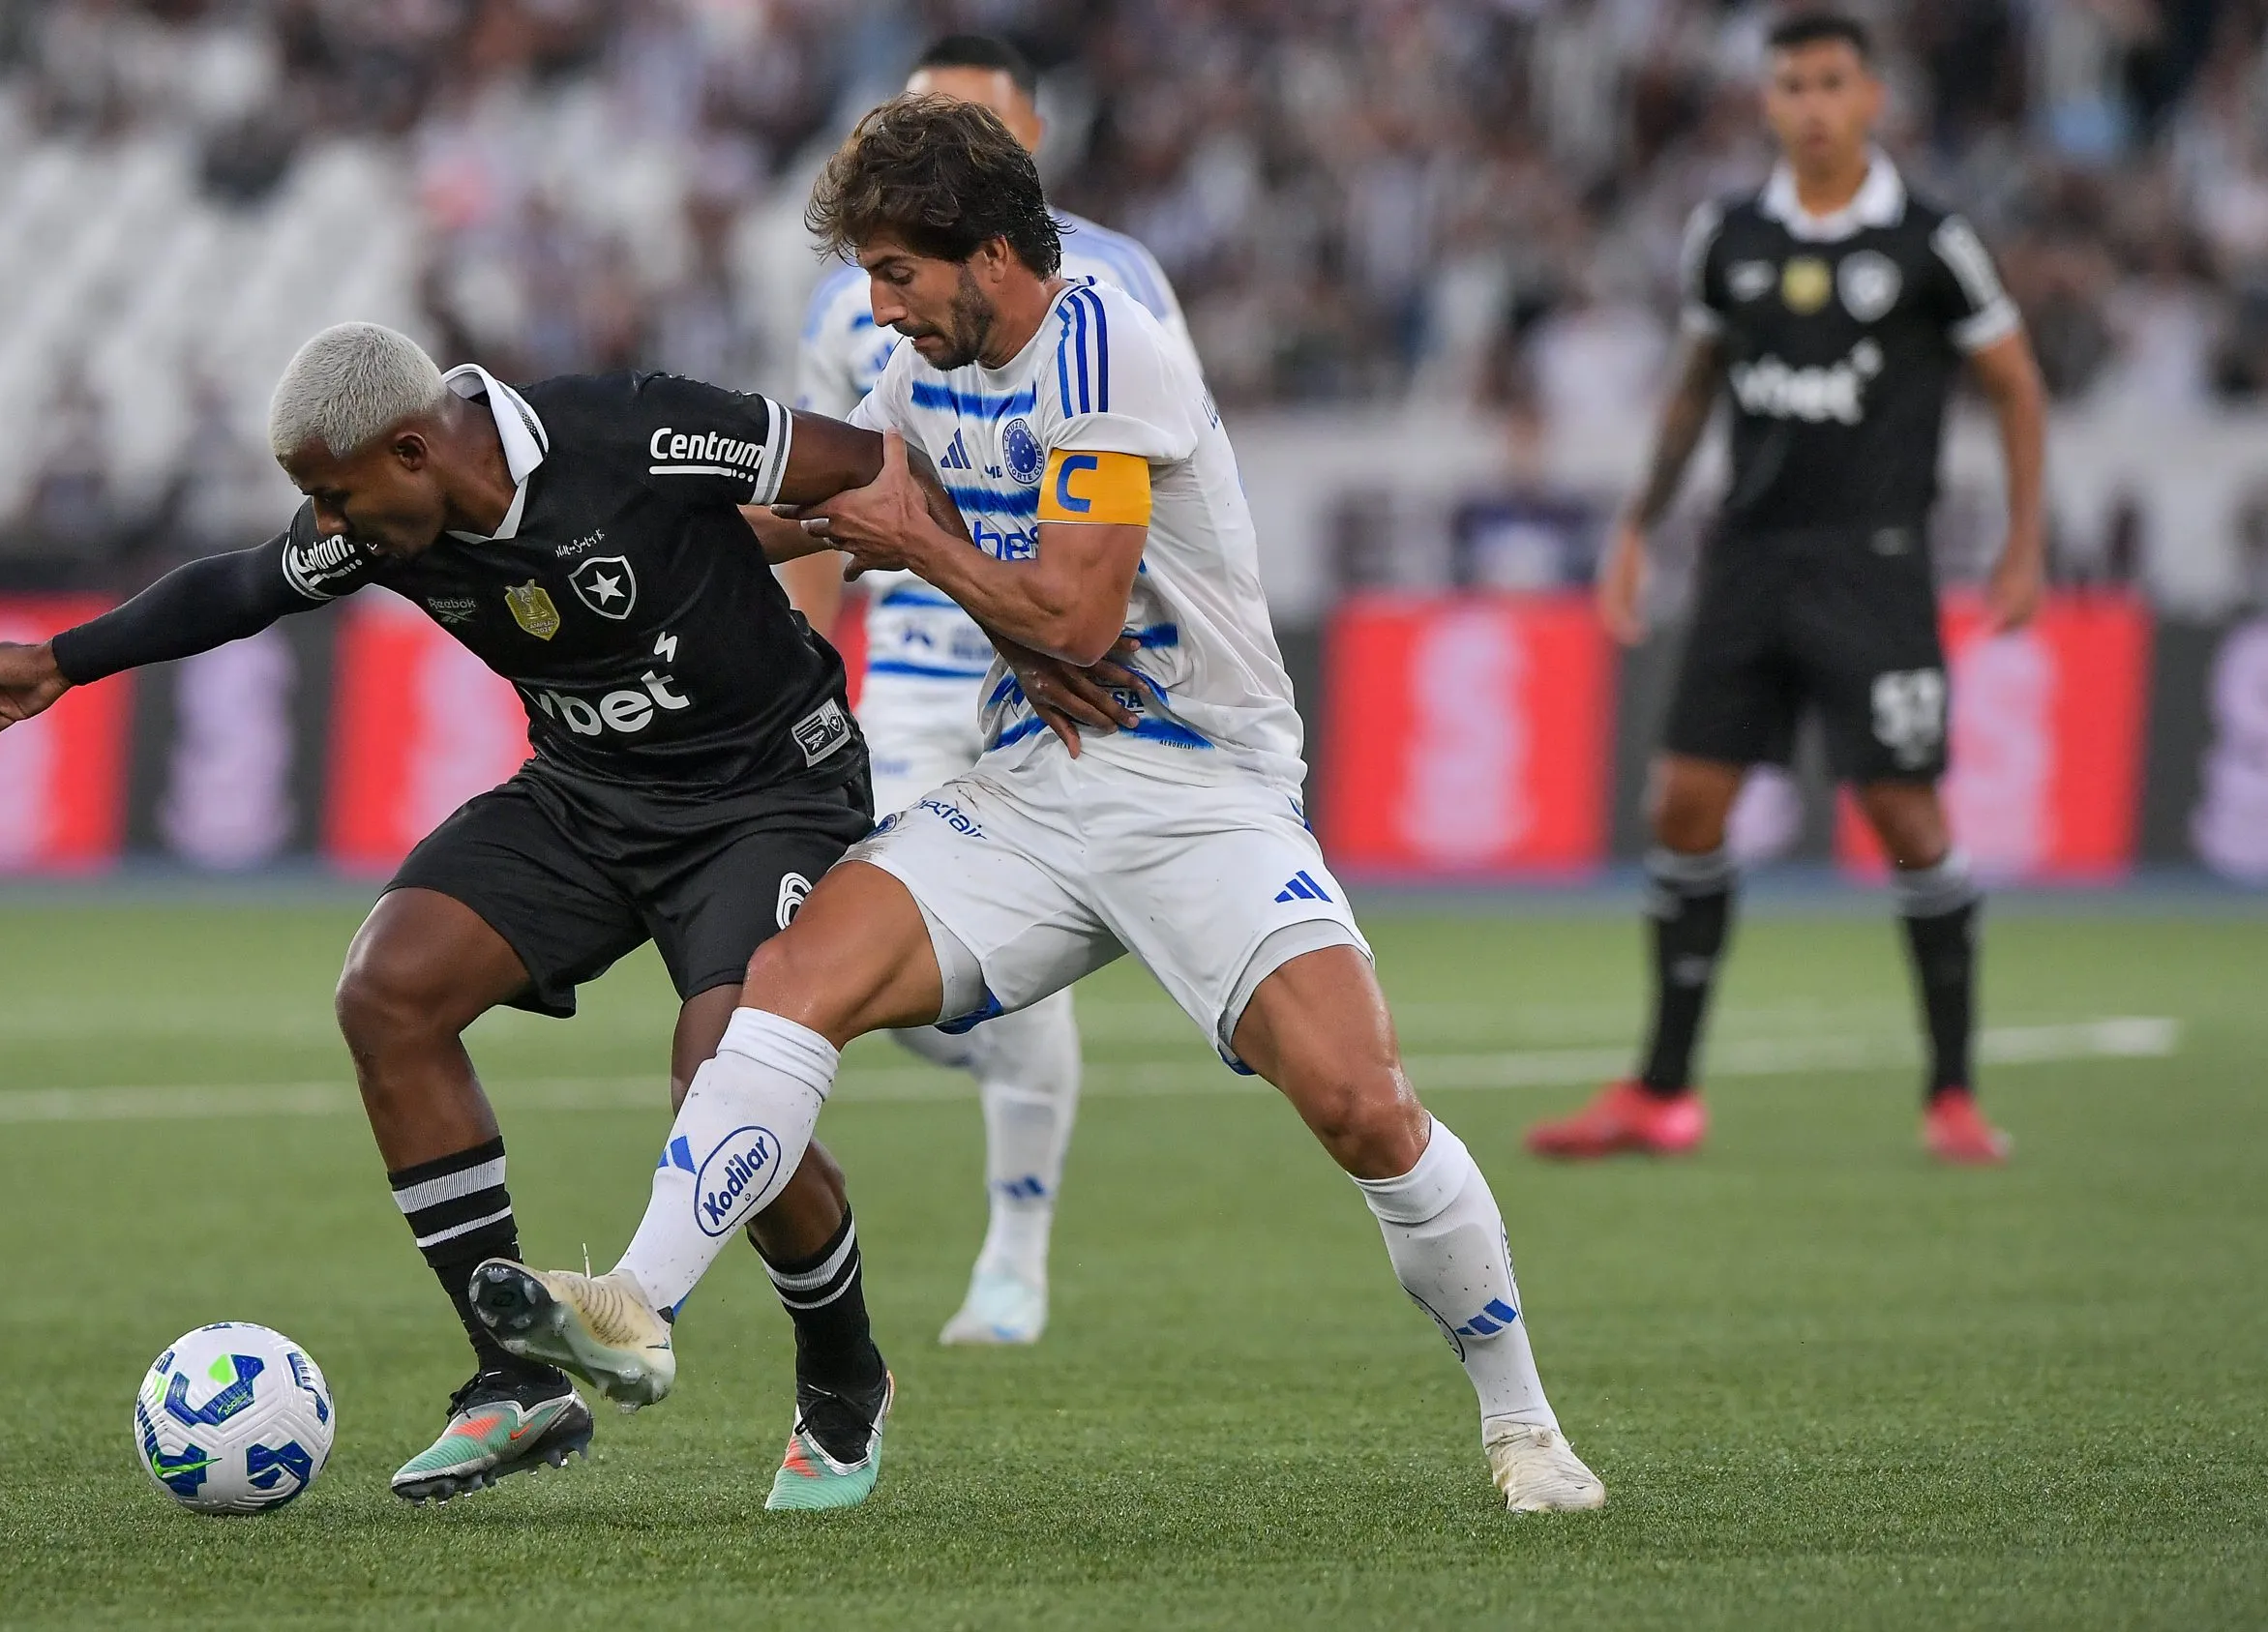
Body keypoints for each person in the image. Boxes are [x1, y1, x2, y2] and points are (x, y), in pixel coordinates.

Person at [468, 96, 1608, 1514]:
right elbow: (819, 512)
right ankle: (634, 1301)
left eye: (897, 273)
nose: (879, 308)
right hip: (1035, 789)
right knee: (787, 981)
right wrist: (580, 521)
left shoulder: (1104, 344)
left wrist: (907, 538)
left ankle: (1527, 1428)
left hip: (1200, 789)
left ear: (990, 254)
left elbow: (1075, 616)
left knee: (1364, 1105)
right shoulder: (927, 372)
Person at [0, 322, 955, 1509]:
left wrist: (995, 595)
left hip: (766, 794)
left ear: (413, 449)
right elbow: (244, 584)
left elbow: (866, 468)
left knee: (720, 1078)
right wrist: (61, 659)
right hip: (585, 796)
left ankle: (841, 1373)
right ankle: (514, 1380)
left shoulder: (631, 430)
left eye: (334, 496)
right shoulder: (380, 518)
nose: (328, 525)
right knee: (389, 989)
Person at [1524, 11, 2048, 1167]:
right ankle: (1664, 1092)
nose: (1810, 104)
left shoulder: (1929, 239)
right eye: (1790, 85)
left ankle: (1952, 1093)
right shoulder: (1730, 233)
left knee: (1909, 819)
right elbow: (1693, 387)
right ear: (1766, 103)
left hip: (1875, 566)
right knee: (1682, 808)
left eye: (1830, 83)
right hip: (1748, 562)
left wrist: (2022, 548)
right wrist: (1636, 526)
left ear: (1870, 100)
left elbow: (2014, 383)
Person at [779, 32, 1202, 1350]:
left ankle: (1015, 1248)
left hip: (1065, 667)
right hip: (914, 661)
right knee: (877, 946)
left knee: (986, 970)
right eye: (913, 122)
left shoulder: (1118, 285)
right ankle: (1025, 1052)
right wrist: (809, 683)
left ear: (1026, 137)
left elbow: (1165, 480)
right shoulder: (856, 303)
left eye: (969, 121)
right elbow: (820, 496)